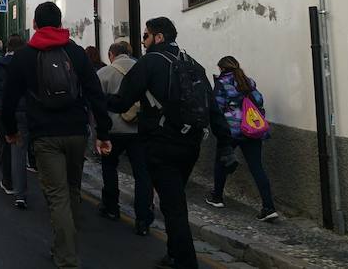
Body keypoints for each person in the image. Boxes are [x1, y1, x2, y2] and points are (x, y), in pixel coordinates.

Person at [108, 17, 234, 269]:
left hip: (160, 144)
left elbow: (122, 102)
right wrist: (225, 143)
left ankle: (186, 262)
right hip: (191, 144)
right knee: (173, 199)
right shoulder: (193, 63)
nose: (143, 42)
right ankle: (174, 253)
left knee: (173, 206)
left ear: (158, 37)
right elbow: (213, 109)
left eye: (146, 36)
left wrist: (98, 99)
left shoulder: (149, 63)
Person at [1, 2, 112, 269]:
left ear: (35, 25)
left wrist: (11, 131)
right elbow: (95, 92)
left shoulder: (24, 56)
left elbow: (9, 98)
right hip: (76, 132)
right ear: (61, 24)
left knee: (57, 195)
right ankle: (64, 246)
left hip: (45, 135)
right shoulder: (76, 52)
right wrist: (103, 132)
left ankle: (67, 258)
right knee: (72, 190)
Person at [206, 56, 278, 222]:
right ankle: (268, 207)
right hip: (251, 129)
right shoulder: (248, 81)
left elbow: (217, 106)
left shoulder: (222, 83)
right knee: (257, 168)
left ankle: (217, 197)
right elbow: (259, 100)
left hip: (231, 130)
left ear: (222, 68)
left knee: (222, 160)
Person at [97, 41, 154, 235]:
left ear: (112, 54)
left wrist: (99, 131)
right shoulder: (143, 70)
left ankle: (111, 208)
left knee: (109, 167)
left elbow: (97, 105)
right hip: (138, 130)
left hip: (112, 130)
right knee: (142, 174)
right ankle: (143, 219)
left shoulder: (104, 73)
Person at [0, 34, 27, 207]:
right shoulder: (26, 64)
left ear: (7, 48)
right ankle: (20, 189)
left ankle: (7, 181)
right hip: (21, 109)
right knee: (19, 149)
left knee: (3, 143)